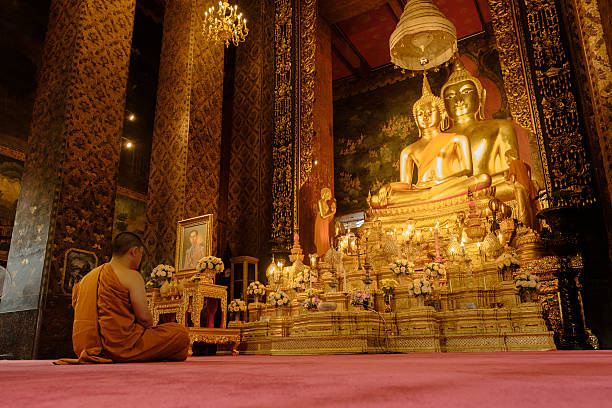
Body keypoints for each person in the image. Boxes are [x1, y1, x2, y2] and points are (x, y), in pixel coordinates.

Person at [55, 232, 189, 364]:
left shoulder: (88, 278)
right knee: (180, 333)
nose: (140, 259)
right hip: (124, 346)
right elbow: (144, 319)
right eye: (141, 254)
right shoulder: (132, 276)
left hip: (89, 348)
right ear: (134, 251)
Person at [314, 187, 336, 257]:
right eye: (329, 194)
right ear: (325, 194)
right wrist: (332, 213)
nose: (331, 196)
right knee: (322, 240)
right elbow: (323, 216)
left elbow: (328, 218)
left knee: (326, 240)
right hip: (321, 223)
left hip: (325, 224)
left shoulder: (326, 204)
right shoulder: (320, 202)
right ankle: (321, 255)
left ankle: (325, 256)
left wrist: (333, 211)